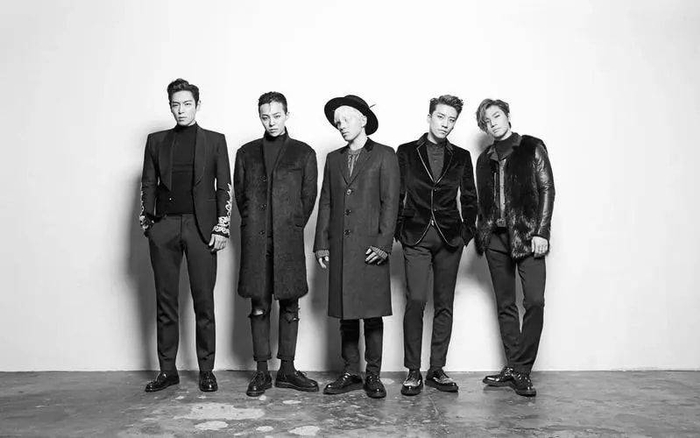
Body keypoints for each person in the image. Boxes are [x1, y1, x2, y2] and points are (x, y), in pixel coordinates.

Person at [140, 78, 231, 393]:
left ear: (197, 105)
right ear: (170, 107)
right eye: (175, 105)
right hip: (164, 226)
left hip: (201, 228)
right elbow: (148, 182)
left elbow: (224, 187)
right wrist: (149, 224)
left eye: (187, 104)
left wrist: (222, 227)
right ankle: (168, 371)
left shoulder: (215, 141)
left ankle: (206, 370)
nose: (181, 110)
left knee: (204, 302)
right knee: (165, 302)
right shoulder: (156, 141)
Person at [314, 95, 400, 399]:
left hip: (370, 248)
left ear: (363, 119)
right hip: (340, 247)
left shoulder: (385, 155)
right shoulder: (333, 158)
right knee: (346, 314)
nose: (341, 126)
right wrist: (321, 244)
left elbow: (391, 202)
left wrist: (383, 244)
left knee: (372, 314)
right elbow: (326, 201)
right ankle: (350, 372)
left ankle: (373, 375)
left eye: (346, 119)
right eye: (337, 122)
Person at [234, 92, 319, 397]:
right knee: (259, 305)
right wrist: (255, 222)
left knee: (290, 305)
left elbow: (308, 197)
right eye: (265, 117)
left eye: (276, 116)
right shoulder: (246, 153)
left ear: (287, 115)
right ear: (260, 117)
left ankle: (287, 370)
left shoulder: (303, 153)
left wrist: (291, 224)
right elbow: (241, 197)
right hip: (256, 241)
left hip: (288, 240)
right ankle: (261, 371)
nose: (271, 122)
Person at [395, 95, 477, 396]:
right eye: (441, 117)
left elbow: (470, 197)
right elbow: (396, 193)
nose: (445, 124)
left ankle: (437, 369)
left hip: (449, 238)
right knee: (416, 300)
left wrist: (466, 233)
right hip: (415, 236)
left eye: (451, 119)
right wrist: (398, 230)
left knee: (444, 304)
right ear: (429, 117)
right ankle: (413, 370)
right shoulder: (406, 152)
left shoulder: (462, 156)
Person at [474, 98, 555, 397]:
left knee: (534, 302)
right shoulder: (484, 159)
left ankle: (522, 369)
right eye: (486, 121)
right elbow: (482, 200)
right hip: (495, 239)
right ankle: (513, 367)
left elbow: (547, 189)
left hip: (528, 236)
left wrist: (542, 231)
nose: (493, 123)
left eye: (496, 116)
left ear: (507, 116)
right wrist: (481, 232)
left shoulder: (531, 147)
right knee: (505, 304)